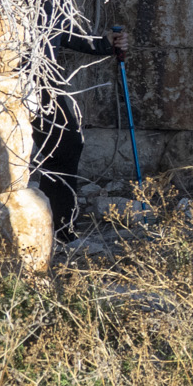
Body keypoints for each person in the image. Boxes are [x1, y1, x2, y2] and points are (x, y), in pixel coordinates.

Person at [28, 19, 126, 242]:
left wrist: (103, 44)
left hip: (40, 77)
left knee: (66, 144)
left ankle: (58, 234)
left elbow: (57, 28)